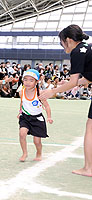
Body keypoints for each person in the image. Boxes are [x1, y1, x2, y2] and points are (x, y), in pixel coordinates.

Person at [40, 24, 92, 176]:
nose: (62, 46)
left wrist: (52, 91)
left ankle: (89, 168)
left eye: (61, 42)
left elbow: (73, 82)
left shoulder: (77, 52)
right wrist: (68, 84)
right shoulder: (86, 47)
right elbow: (88, 78)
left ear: (68, 40)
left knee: (90, 128)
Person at [18, 69, 53, 162]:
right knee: (22, 133)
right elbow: (22, 102)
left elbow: (47, 106)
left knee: (37, 141)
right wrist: (20, 111)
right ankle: (24, 153)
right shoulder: (21, 92)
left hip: (37, 118)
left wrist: (49, 116)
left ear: (36, 82)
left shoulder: (40, 93)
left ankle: (39, 153)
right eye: (25, 79)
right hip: (25, 117)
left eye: (31, 80)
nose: (27, 82)